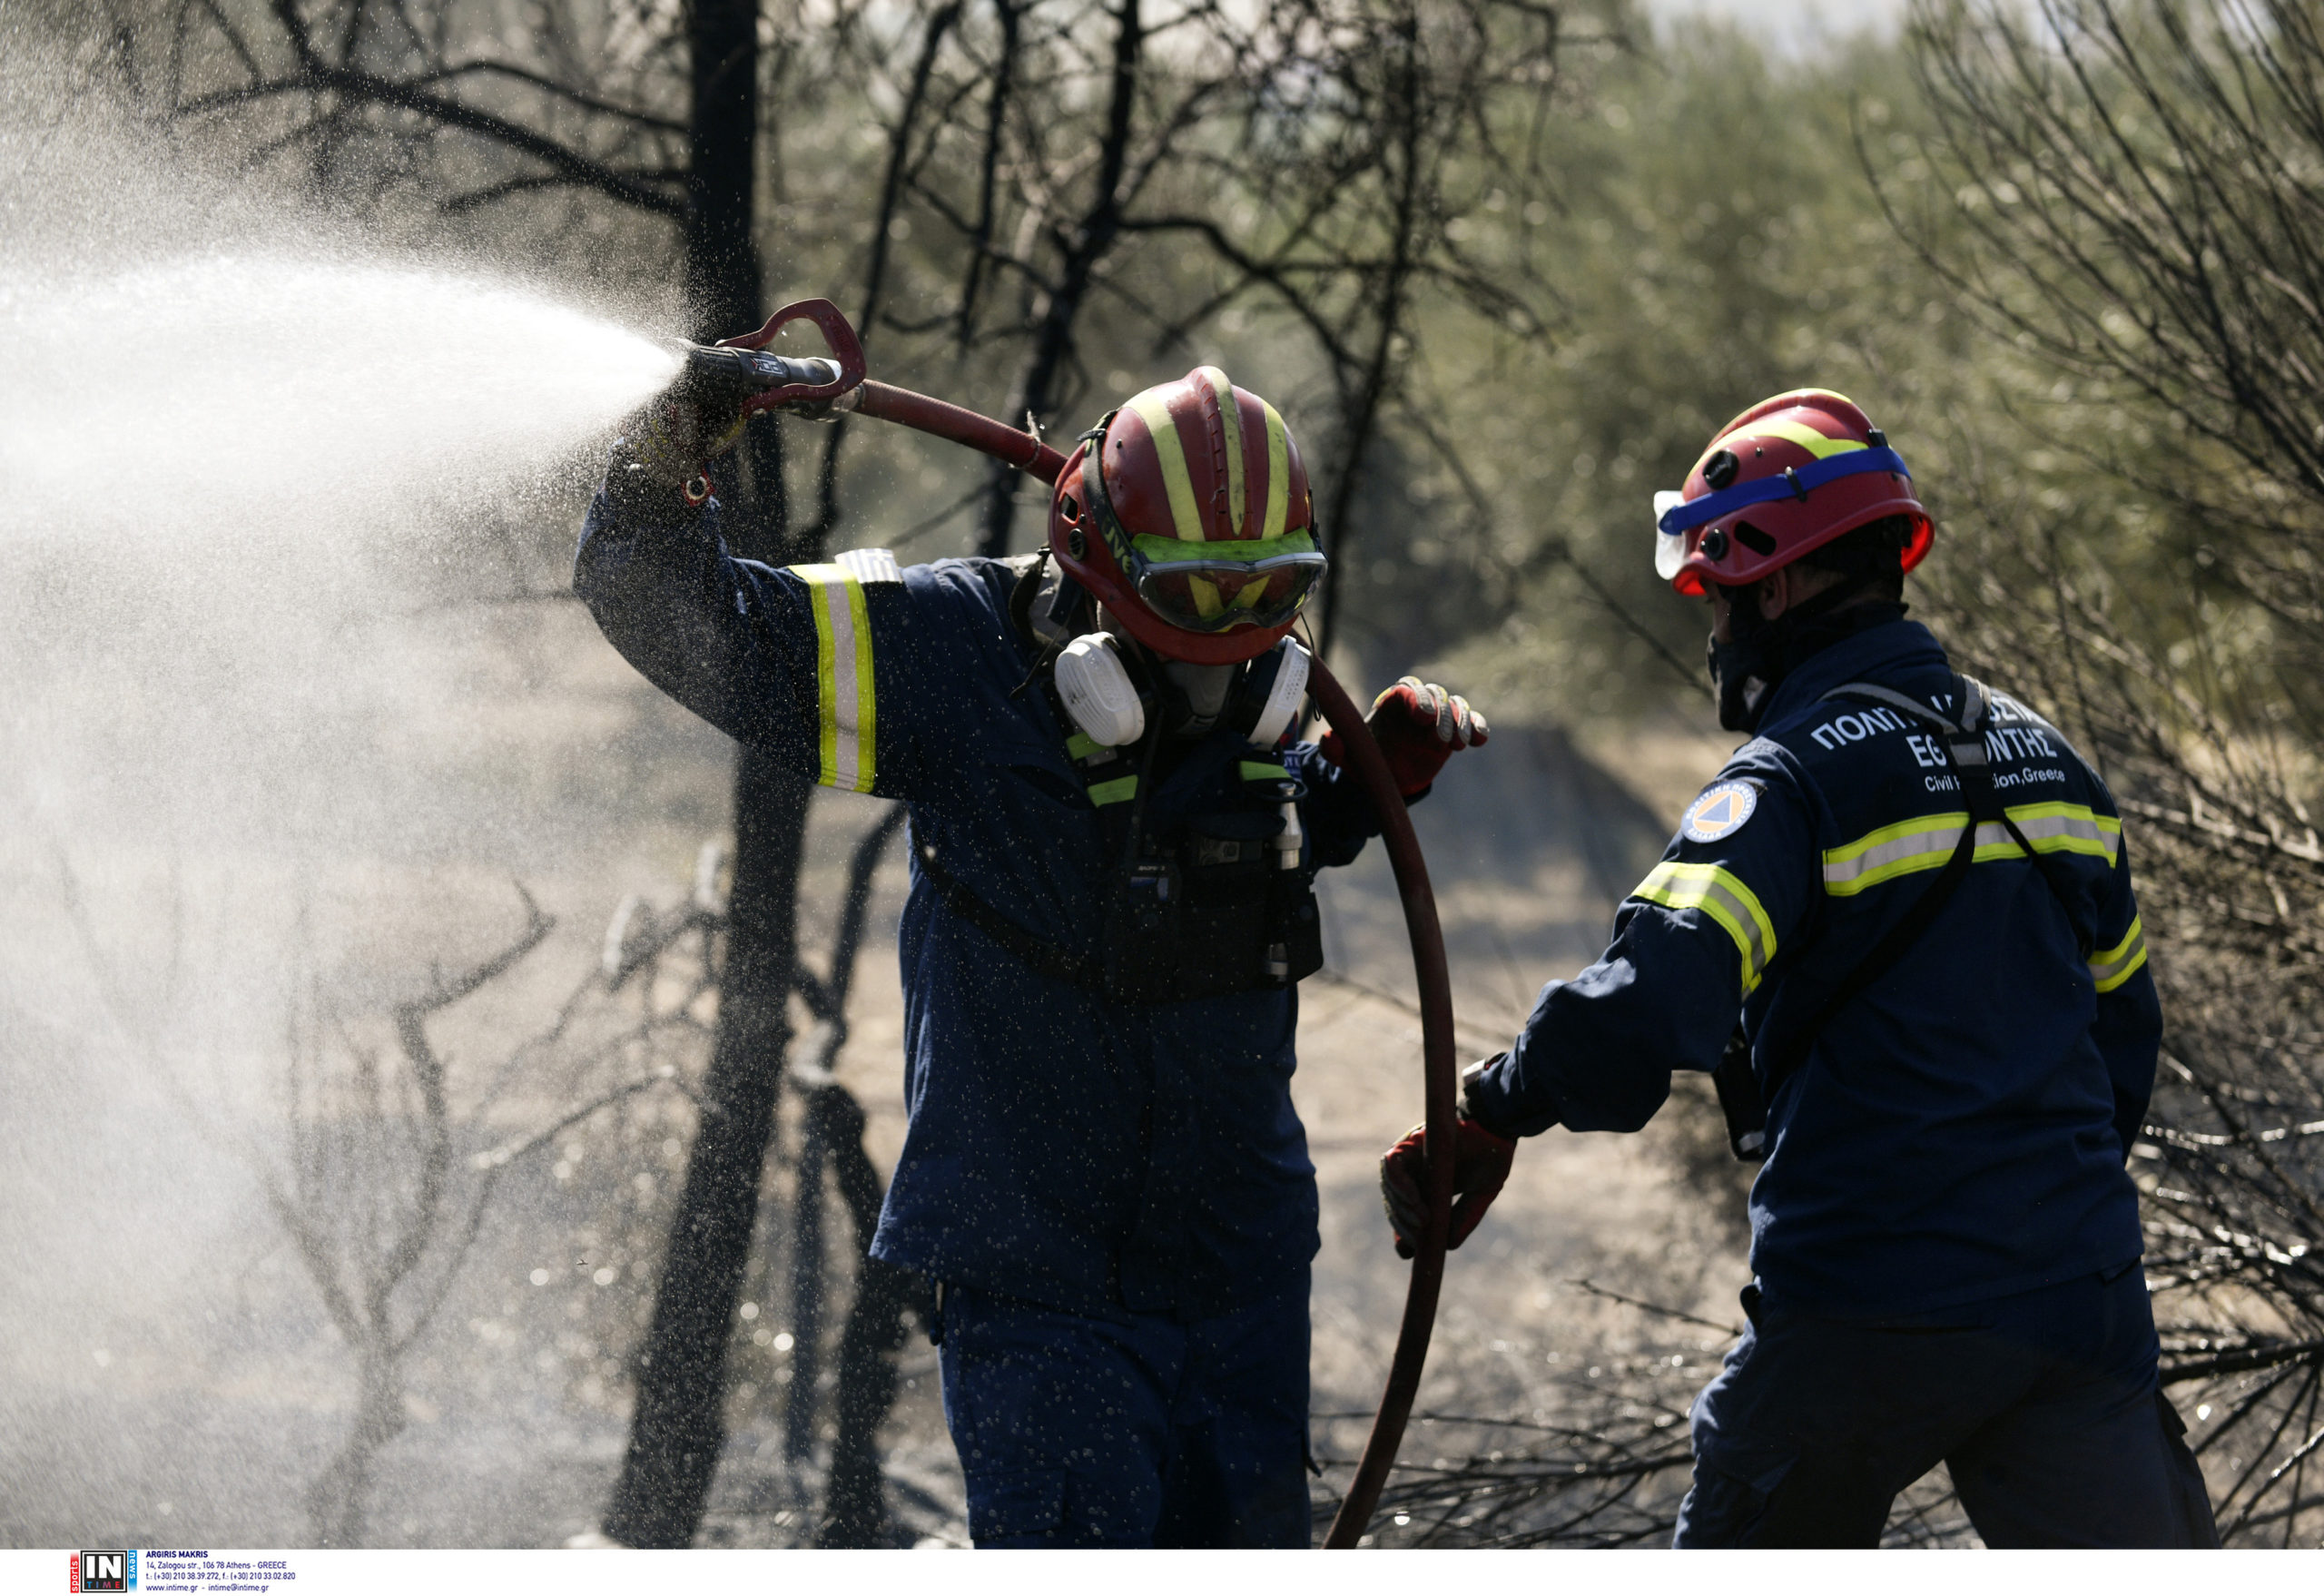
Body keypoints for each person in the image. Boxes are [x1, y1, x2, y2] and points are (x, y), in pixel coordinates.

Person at [576, 359, 1486, 1547]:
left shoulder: (1261, 675)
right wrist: (664, 456)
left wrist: (1356, 792)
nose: (1228, 651)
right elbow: (667, 604)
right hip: (1046, 1296)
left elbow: (1221, 874)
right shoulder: (954, 658)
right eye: (1195, 606)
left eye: (1266, 594)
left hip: (1242, 1277)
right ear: (1098, 567)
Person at [1379, 389, 2218, 1548]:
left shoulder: (1787, 784)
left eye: (1717, 603)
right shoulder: (2053, 764)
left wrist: (1491, 1105)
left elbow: (1650, 1003)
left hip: (1865, 1310)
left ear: (1771, 589)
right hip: (2077, 1302)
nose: (1715, 634)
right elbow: (2124, 1039)